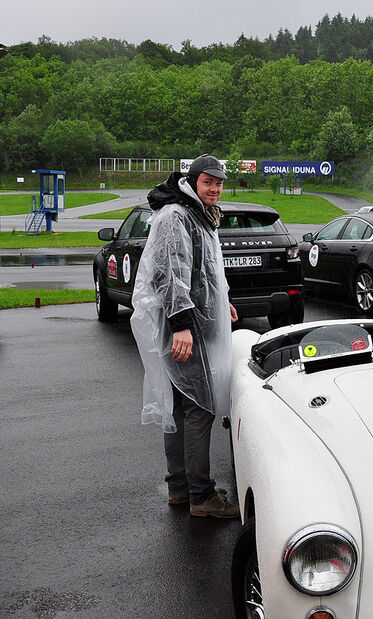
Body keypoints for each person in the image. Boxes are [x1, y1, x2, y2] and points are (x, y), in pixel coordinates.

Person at [130, 154, 240, 519]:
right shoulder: (177, 216)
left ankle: (179, 488)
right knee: (199, 409)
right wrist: (181, 325)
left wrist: (222, 303)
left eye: (219, 183)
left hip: (195, 324)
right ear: (193, 181)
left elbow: (204, 271)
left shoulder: (197, 214)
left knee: (180, 408)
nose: (215, 188)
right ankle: (201, 495)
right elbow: (168, 272)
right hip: (185, 328)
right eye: (208, 182)